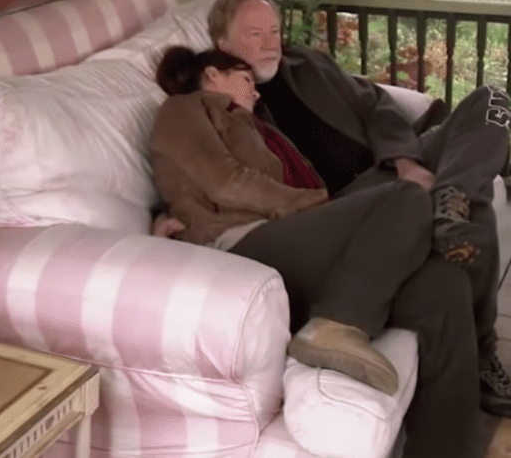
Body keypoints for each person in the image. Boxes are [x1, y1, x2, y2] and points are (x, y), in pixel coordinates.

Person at [210, 0, 511, 419]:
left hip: (394, 166)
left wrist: (404, 160)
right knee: (475, 210)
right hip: (354, 209)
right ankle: (482, 353)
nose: (271, 42)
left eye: (274, 29)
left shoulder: (305, 61)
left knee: (491, 100)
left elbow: (376, 103)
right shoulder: (225, 103)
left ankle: (449, 200)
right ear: (221, 44)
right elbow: (209, 178)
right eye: (255, 34)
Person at [149, 47, 485, 457]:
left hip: (288, 243)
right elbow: (224, 183)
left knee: (445, 286)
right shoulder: (184, 110)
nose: (255, 91)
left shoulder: (249, 124)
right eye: (246, 80)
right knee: (406, 200)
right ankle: (338, 323)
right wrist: (315, 205)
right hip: (241, 248)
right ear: (214, 74)